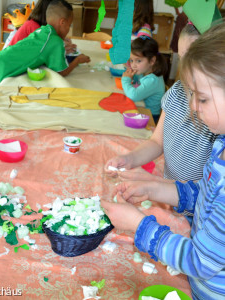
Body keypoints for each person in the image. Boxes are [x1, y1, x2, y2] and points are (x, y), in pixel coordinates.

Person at [102, 22, 225, 300]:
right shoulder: (221, 145)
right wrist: (157, 188)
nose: (193, 105)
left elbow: (200, 261)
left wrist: (138, 225)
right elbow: (205, 194)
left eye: (202, 98)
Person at [105, 23, 216, 183]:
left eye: (193, 59)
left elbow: (207, 189)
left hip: (190, 202)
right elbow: (157, 142)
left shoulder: (218, 118)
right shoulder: (177, 91)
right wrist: (129, 159)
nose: (185, 68)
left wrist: (158, 186)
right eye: (182, 58)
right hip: (169, 192)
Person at [0, 0, 90, 94]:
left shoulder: (43, 30)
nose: (68, 29)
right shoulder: (55, 41)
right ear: (62, 22)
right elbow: (62, 72)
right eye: (69, 25)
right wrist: (77, 60)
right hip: (2, 69)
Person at [121, 36, 168, 123]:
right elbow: (136, 82)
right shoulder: (145, 71)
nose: (133, 65)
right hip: (142, 110)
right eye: (131, 60)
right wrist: (131, 75)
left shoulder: (153, 80)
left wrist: (125, 80)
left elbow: (133, 96)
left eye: (138, 61)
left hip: (149, 117)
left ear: (152, 60)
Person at [5, 0, 76, 53]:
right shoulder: (34, 26)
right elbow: (46, 51)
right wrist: (62, 46)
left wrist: (62, 41)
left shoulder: (39, 26)